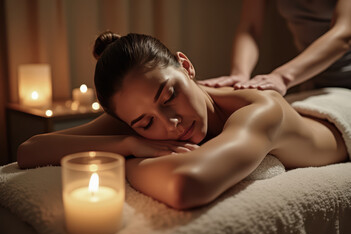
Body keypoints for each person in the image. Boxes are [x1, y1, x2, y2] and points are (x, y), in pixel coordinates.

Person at [17, 32, 348, 210]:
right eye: (145, 123)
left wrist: (129, 160)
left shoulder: (262, 110)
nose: (170, 122)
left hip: (340, 112)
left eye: (169, 94)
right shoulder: (138, 119)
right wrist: (126, 143)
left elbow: (188, 185)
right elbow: (31, 150)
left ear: (186, 66)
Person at [199, 0, 351, 95]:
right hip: (313, 80)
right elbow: (250, 27)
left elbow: (344, 34)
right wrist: (239, 74)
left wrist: (282, 77)